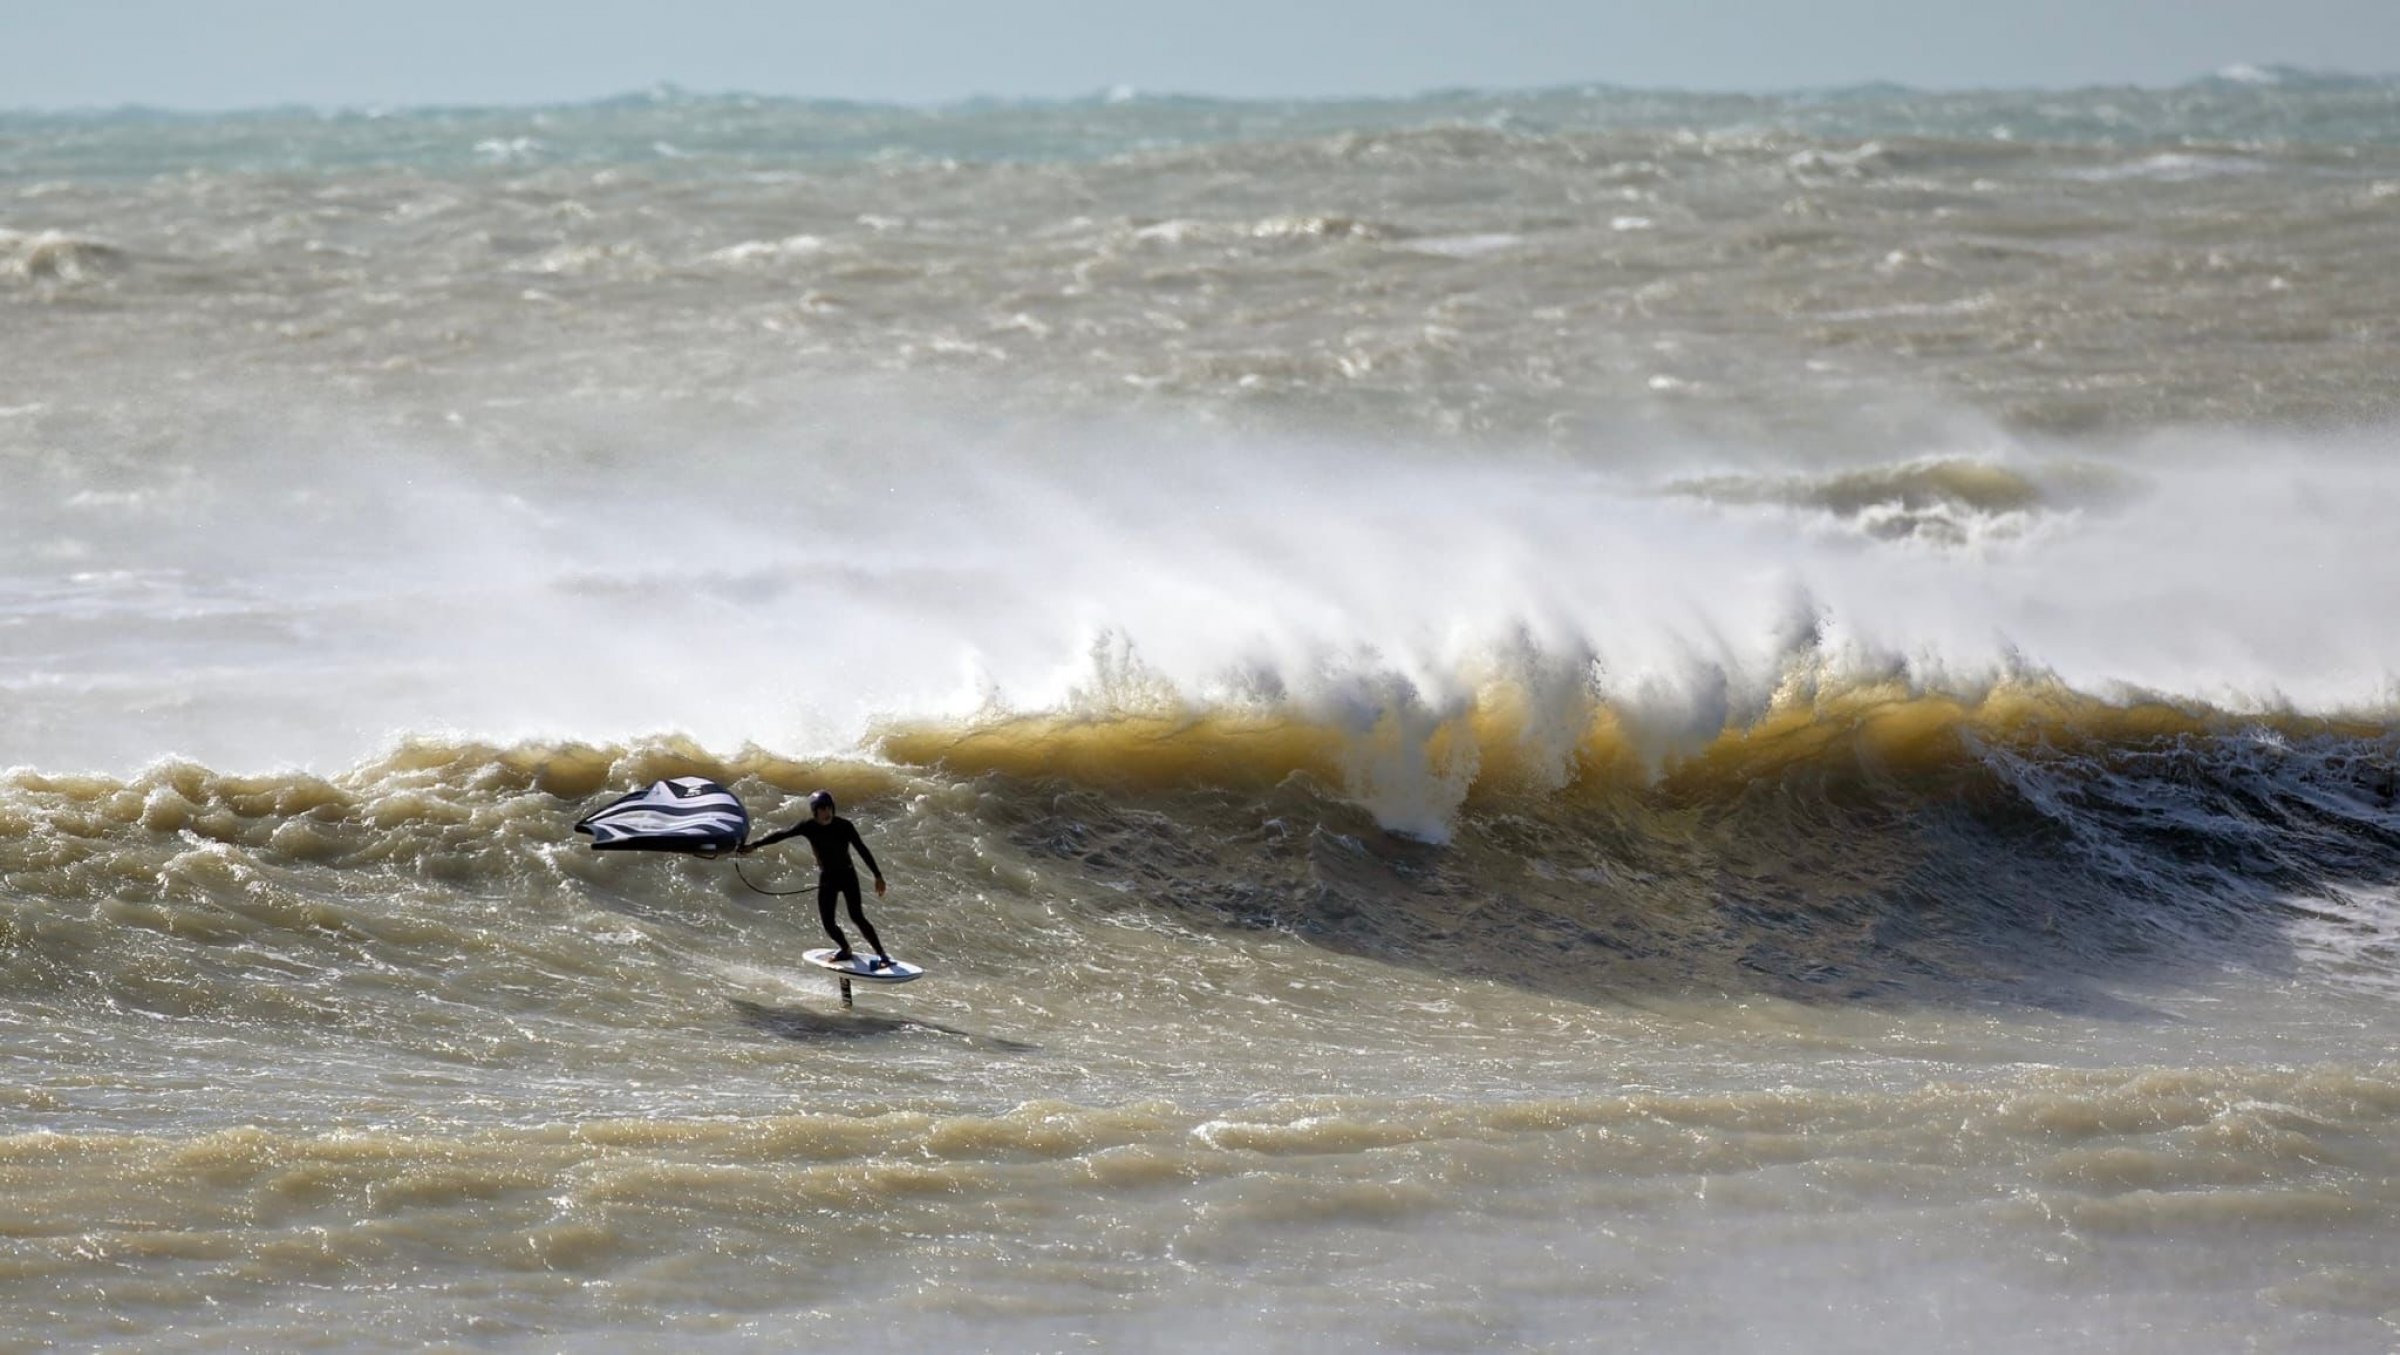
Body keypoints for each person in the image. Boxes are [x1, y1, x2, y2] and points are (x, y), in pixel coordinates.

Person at [739, 790, 893, 968]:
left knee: (857, 916)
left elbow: (862, 849)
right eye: (822, 809)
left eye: (829, 808)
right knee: (828, 923)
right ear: (815, 812)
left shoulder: (844, 826)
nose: (827, 813)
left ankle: (882, 955)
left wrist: (878, 875)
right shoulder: (808, 827)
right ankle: (845, 949)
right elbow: (782, 834)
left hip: (848, 876)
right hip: (828, 878)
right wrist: (754, 845)